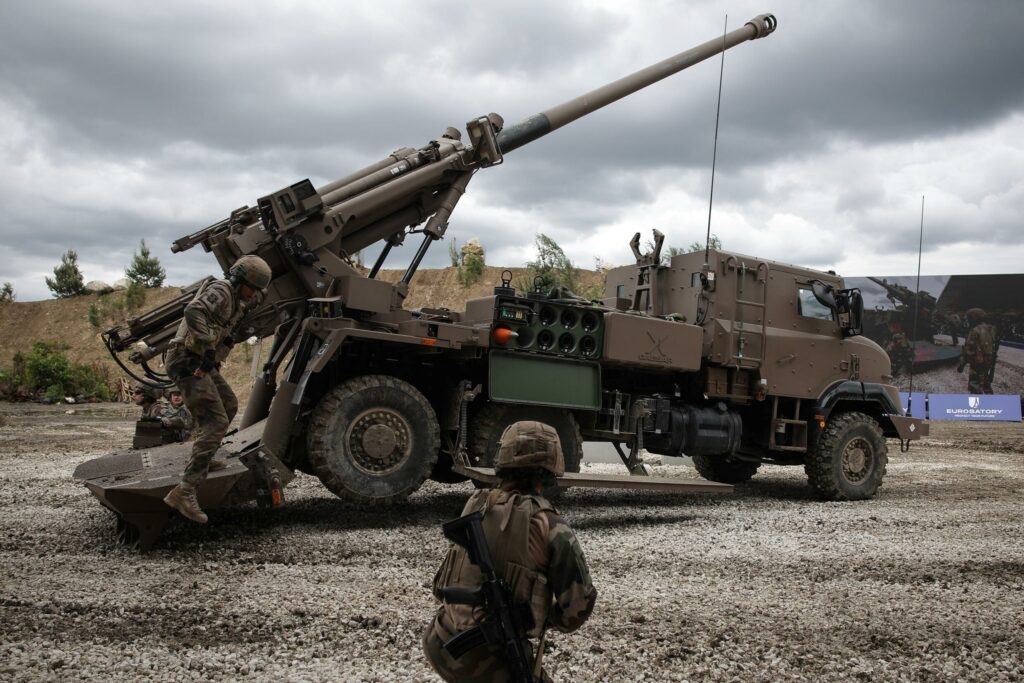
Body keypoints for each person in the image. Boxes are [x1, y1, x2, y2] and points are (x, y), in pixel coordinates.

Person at [423, 421, 597, 682]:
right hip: (487, 660)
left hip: (440, 640)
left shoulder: (477, 504)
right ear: (551, 466)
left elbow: (446, 583)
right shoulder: (550, 525)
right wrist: (544, 615)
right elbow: (576, 610)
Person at [162, 255, 271, 524]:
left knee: (230, 405)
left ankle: (204, 456)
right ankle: (185, 491)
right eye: (252, 288)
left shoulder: (237, 301)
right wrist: (209, 346)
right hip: (186, 360)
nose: (253, 294)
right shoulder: (222, 290)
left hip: (200, 361)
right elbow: (193, 311)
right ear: (240, 280)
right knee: (216, 421)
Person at [958, 308, 998, 394]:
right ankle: (992, 403)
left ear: (974, 318)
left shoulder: (975, 331)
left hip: (977, 363)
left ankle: (977, 405)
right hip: (989, 362)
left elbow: (968, 351)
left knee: (974, 385)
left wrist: (961, 365)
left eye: (969, 319)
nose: (968, 321)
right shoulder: (992, 329)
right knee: (986, 383)